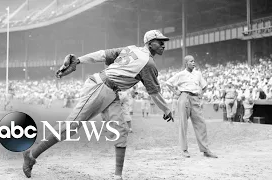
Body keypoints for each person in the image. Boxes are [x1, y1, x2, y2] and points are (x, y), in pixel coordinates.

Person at [22, 30, 174, 180]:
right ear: (149, 43)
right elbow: (154, 92)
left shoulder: (131, 49)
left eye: (164, 42)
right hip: (101, 87)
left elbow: (102, 55)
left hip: (111, 92)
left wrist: (79, 60)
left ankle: (118, 176)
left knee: (121, 131)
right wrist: (166, 109)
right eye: (160, 42)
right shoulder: (148, 63)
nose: (163, 45)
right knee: (70, 127)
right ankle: (31, 155)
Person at [165, 55, 217, 159]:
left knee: (201, 123)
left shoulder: (198, 74)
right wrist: (176, 91)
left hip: (195, 98)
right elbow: (168, 83)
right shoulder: (181, 74)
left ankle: (205, 150)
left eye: (194, 61)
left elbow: (205, 86)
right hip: (184, 97)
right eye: (191, 61)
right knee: (183, 124)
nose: (193, 63)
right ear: (186, 63)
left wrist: (201, 94)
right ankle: (184, 150)